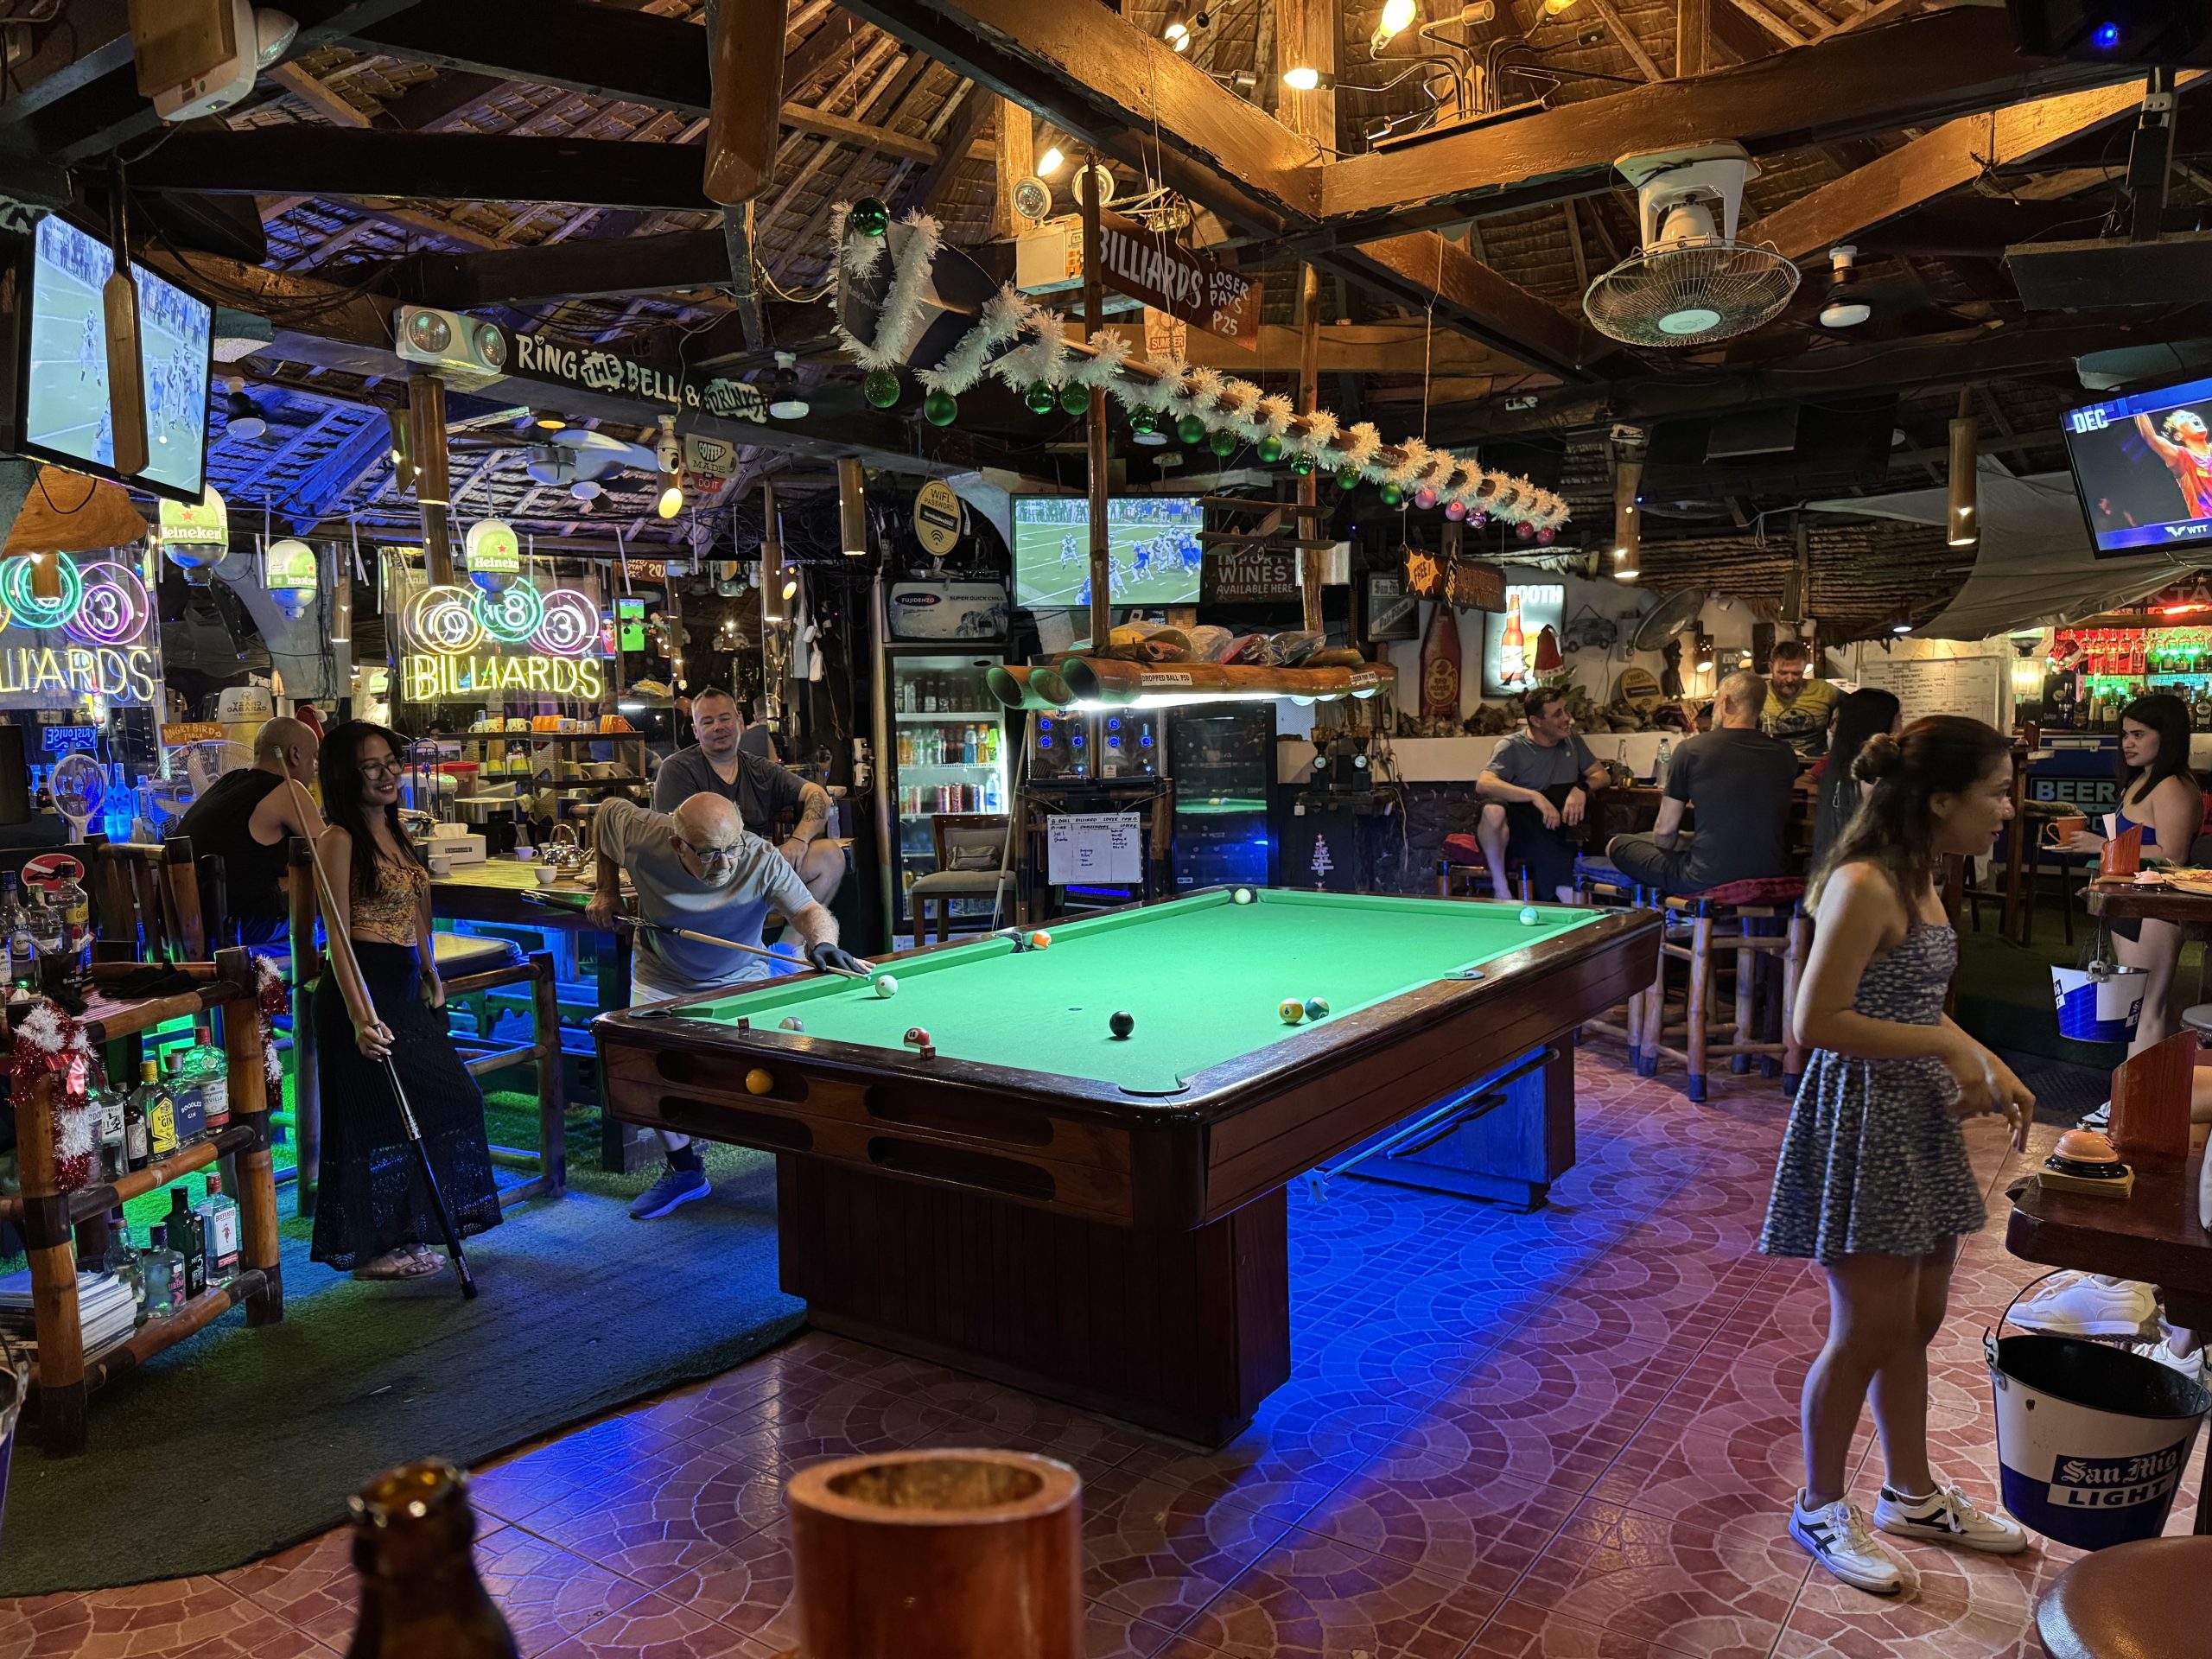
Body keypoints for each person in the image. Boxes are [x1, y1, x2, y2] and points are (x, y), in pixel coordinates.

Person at [1762, 717, 2034, 1595]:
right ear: (1941, 799)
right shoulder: (1864, 883)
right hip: (1865, 1120)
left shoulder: (1920, 877)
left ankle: (1911, 1493)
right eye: (1995, 791)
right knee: (1867, 1328)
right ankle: (1817, 1503)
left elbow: (1918, 998)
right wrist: (1948, 1050)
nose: (2006, 808)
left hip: (1914, 1119)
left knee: (1914, 1320)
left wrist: (1988, 1060)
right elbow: (1816, 1021)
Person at [589, 792, 870, 1220]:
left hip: (741, 977)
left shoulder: (759, 857)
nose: (723, 863)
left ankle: (804, 1174)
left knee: (772, 1077)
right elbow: (606, 813)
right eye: (708, 853)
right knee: (646, 1072)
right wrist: (606, 890)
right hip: (662, 977)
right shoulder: (643, 835)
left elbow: (810, 910)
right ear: (677, 845)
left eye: (731, 848)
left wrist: (824, 942)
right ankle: (684, 1171)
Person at [309, 722, 503, 1282]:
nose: (389, 773)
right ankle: (373, 1252)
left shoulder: (396, 830)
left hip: (404, 987)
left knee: (453, 1102)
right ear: (348, 773)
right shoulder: (338, 839)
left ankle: (401, 1228)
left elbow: (419, 905)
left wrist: (430, 968)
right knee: (369, 1124)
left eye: (392, 762)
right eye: (373, 765)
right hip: (361, 989)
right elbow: (338, 940)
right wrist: (359, 1016)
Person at [2063, 694, 2201, 1055]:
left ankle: (2134, 1106)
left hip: (2155, 906)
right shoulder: (2141, 781)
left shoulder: (2172, 786)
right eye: (2125, 735)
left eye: (2139, 735)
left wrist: (2101, 847)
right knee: (2147, 1008)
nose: (2128, 743)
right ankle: (2157, 1099)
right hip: (2131, 901)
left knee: (2144, 1008)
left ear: (2166, 736)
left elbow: (2173, 855)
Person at [1606, 671, 1797, 896]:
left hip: (1705, 878)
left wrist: (1669, 850)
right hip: (1772, 874)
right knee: (1689, 842)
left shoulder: (1691, 749)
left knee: (1617, 845)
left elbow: (1665, 831)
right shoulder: (1785, 754)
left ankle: (1670, 917)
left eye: (1715, 700)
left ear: (1726, 702)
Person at [652, 687, 843, 909]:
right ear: (695, 730)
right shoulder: (677, 770)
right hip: (707, 878)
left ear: (739, 721)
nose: (718, 727)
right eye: (707, 722)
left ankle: (789, 944)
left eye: (725, 718)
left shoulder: (759, 768)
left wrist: (798, 841)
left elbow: (818, 795)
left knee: (830, 856)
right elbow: (675, 845)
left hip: (756, 871)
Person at [176, 716, 322, 947]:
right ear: (295, 754)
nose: (315, 768)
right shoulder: (290, 790)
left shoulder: (226, 782)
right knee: (345, 911)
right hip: (235, 928)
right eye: (314, 757)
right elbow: (330, 862)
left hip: (182, 926)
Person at [1473, 687, 1609, 905]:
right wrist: (1535, 796)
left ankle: (1568, 904)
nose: (1568, 719)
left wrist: (1581, 788)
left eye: (1565, 710)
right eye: (1557, 714)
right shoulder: (1511, 746)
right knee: (1493, 810)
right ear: (1536, 721)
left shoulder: (1573, 741)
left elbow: (1600, 774)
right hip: (1514, 827)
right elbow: (1484, 784)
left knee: (1550, 848)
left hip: (1551, 826)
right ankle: (1501, 889)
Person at [1811, 689, 1904, 866]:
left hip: (1831, 875)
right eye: (1899, 719)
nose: (1901, 728)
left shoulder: (1835, 765)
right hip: (1864, 875)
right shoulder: (1875, 774)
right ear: (1880, 723)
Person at [1764, 640, 1840, 759]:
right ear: (1771, 668)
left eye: (1796, 673)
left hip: (1815, 765)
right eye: (1783, 673)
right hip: (1773, 762)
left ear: (1804, 669)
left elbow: (1858, 705)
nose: (1789, 679)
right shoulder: (1760, 693)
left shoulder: (1824, 691)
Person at [2135, 409, 2212, 520]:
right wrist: (2137, 407)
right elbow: (2151, 438)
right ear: (2178, 436)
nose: (2192, 414)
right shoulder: (2181, 457)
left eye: (2190, 413)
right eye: (2183, 417)